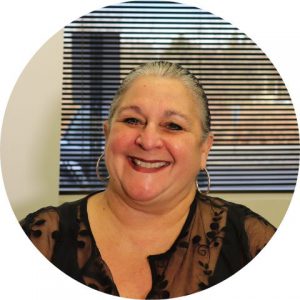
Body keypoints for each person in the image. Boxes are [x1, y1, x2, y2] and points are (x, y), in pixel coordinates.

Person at [20, 61, 276, 299]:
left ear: (204, 150)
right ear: (107, 135)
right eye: (132, 120)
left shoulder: (255, 246)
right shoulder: (36, 239)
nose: (148, 140)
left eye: (173, 126)